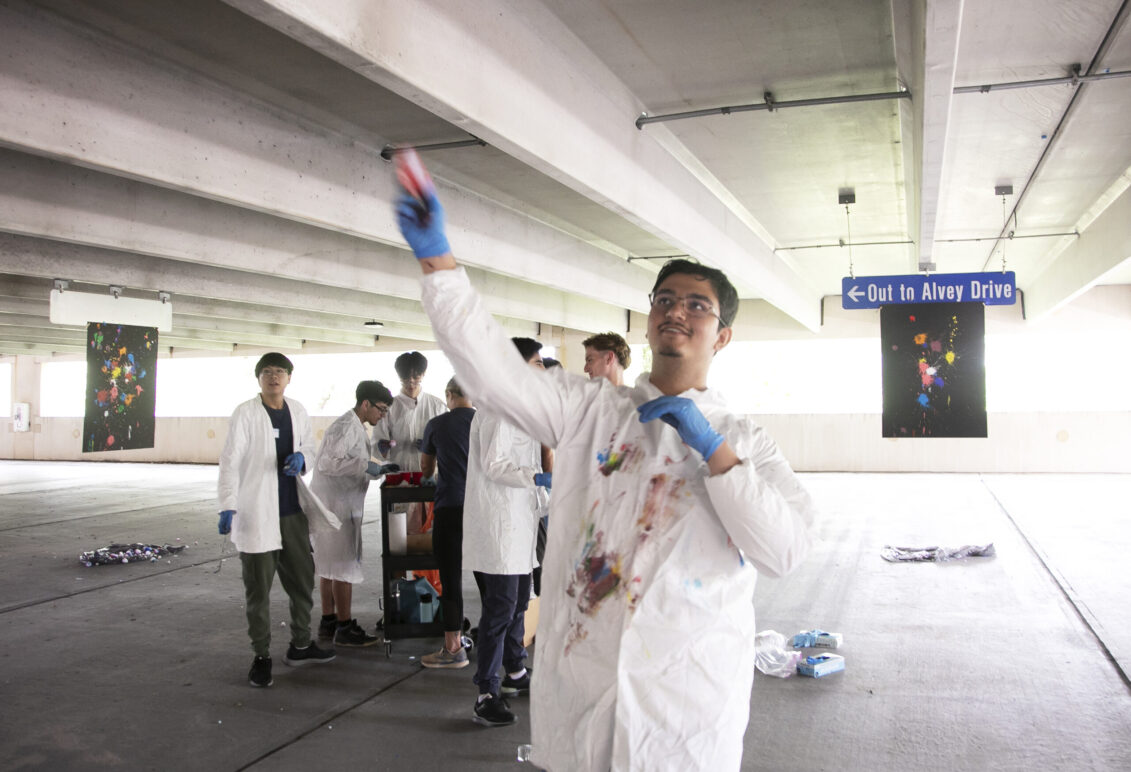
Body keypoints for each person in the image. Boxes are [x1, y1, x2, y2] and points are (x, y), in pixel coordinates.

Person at [394, 183, 816, 769]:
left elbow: (785, 550)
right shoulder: (592, 411)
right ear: (647, 321)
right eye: (665, 299)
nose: (677, 310)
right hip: (582, 703)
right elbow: (493, 374)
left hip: (684, 715)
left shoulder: (746, 444)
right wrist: (438, 260)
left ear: (721, 336)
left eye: (697, 305)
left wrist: (713, 452)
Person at [217, 352, 339, 688]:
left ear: (288, 378)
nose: (274, 377)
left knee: (302, 581)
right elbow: (229, 460)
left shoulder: (297, 410)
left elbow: (310, 450)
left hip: (292, 513)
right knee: (258, 590)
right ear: (258, 378)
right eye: (268, 372)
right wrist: (227, 504)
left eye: (280, 372)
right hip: (256, 513)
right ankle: (261, 656)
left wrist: (301, 459)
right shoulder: (245, 413)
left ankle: (301, 644)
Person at [461, 337, 551, 727]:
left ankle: (515, 674)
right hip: (500, 528)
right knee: (499, 611)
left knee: (517, 604)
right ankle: (486, 692)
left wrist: (545, 493)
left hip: (518, 524)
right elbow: (495, 464)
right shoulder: (499, 409)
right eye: (535, 363)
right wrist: (537, 477)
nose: (542, 371)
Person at [311, 380, 400, 647]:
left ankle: (328, 621)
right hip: (338, 506)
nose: (382, 415)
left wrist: (377, 465)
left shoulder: (353, 426)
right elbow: (329, 463)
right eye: (381, 409)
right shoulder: (346, 426)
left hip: (334, 504)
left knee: (328, 566)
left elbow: (350, 461)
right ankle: (345, 627)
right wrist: (368, 465)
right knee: (343, 567)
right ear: (365, 404)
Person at [417, 378, 476, 669]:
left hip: (450, 507)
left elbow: (426, 469)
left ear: (449, 395)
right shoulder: (486, 422)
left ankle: (453, 648)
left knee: (450, 579)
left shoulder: (437, 424)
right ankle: (498, 644)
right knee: (489, 578)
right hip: (483, 511)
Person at [372, 351, 447, 474]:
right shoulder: (388, 407)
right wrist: (383, 448)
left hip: (429, 477)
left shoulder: (438, 406)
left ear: (423, 374)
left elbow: (447, 445)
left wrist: (433, 448)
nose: (410, 382)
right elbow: (376, 446)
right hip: (397, 476)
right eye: (405, 378)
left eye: (416, 377)